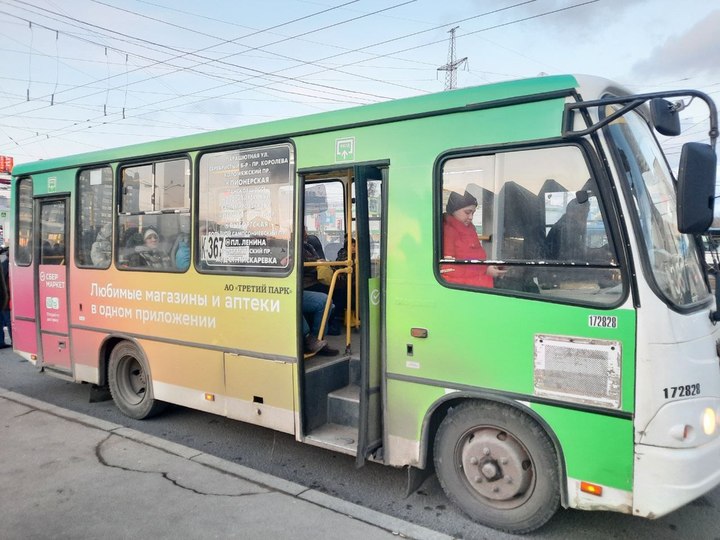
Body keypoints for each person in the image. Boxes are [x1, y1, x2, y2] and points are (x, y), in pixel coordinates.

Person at [441, 190, 506, 288]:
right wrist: (485, 270)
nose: (471, 217)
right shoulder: (447, 231)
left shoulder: (470, 229)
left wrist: (490, 267)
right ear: (454, 210)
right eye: (467, 212)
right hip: (464, 288)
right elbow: (446, 268)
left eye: (473, 213)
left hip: (479, 282)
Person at [0, 246, 11, 348]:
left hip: (4, 298)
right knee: (6, 320)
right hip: (4, 298)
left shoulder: (3, 265)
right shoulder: (6, 266)